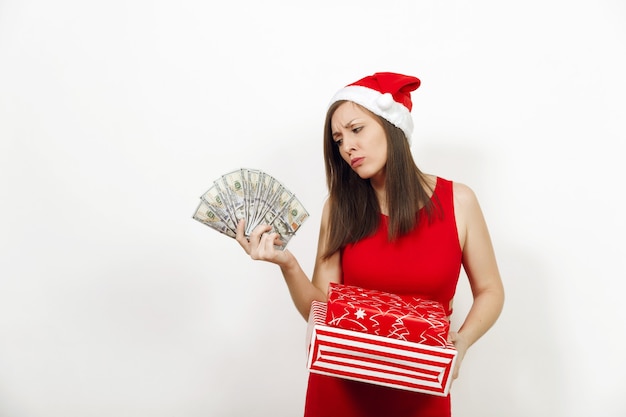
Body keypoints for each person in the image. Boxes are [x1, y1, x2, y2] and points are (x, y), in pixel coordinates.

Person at [236, 72, 505, 417]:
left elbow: (491, 290)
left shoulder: (459, 202)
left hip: (420, 390)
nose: (347, 146)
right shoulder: (339, 207)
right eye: (337, 139)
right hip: (340, 393)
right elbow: (320, 309)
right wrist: (287, 264)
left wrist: (462, 341)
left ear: (392, 126)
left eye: (356, 129)